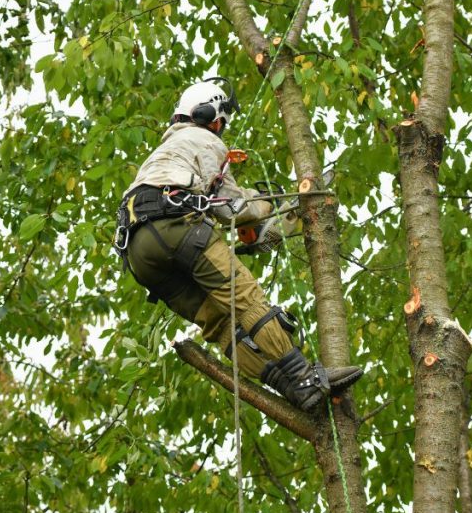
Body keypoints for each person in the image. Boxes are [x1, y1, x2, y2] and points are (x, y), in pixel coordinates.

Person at [114, 78, 362, 413]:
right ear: (210, 115)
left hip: (139, 253)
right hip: (176, 228)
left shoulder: (164, 154)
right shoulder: (203, 140)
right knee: (246, 299)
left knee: (220, 325)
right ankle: (303, 376)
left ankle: (291, 387)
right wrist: (271, 206)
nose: (221, 128)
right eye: (221, 121)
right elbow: (232, 208)